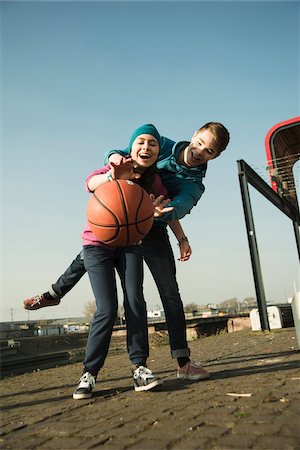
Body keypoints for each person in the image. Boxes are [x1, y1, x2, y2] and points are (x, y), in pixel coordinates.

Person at [24, 121, 230, 381]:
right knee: (92, 248)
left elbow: (180, 206)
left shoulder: (194, 184)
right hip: (123, 216)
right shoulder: (159, 144)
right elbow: (118, 153)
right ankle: (54, 294)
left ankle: (183, 361)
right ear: (194, 135)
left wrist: (176, 231)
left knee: (169, 292)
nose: (200, 151)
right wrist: (113, 161)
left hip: (153, 226)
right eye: (200, 142)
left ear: (216, 156)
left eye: (209, 151)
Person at [74, 124, 177, 399]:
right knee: (106, 308)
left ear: (158, 151)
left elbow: (166, 209)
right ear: (131, 147)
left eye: (153, 143)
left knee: (135, 300)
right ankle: (90, 373)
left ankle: (140, 368)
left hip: (131, 244)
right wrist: (112, 175)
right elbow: (89, 183)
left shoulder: (154, 180)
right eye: (141, 142)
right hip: (97, 246)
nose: (146, 147)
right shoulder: (114, 166)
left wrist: (171, 227)